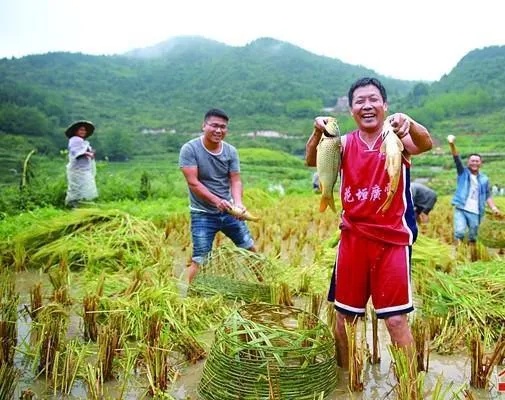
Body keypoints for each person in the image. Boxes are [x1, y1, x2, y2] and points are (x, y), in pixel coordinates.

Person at [305, 77, 433, 371]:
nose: (367, 105)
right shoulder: (342, 142)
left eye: (373, 99)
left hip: (393, 242)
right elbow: (313, 160)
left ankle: (410, 385)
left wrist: (409, 122)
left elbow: (425, 143)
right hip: (353, 240)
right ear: (351, 109)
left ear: (385, 105)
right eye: (359, 101)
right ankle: (346, 378)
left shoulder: (397, 137)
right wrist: (316, 134)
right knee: (343, 317)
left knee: (397, 319)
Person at [179, 108, 257, 283]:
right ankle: (186, 300)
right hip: (202, 213)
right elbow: (193, 182)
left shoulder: (230, 151)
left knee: (250, 249)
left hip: (229, 211)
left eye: (223, 127)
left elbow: (235, 180)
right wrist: (216, 201)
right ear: (204, 126)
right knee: (200, 259)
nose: (218, 130)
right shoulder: (190, 149)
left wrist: (238, 203)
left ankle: (268, 285)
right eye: (214, 126)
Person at [447, 134, 500, 261]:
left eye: (477, 161)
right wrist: (451, 144)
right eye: (472, 160)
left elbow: (487, 195)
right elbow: (456, 158)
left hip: (476, 211)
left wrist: (493, 208)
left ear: (481, 163)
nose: (475, 163)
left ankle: (472, 255)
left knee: (473, 236)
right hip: (461, 207)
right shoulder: (463, 172)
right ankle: (454, 255)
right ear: (468, 163)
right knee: (459, 232)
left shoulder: (484, 179)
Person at [64, 120, 98, 208]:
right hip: (77, 170)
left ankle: (82, 205)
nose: (83, 132)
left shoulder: (82, 141)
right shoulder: (75, 140)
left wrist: (90, 153)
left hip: (83, 170)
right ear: (76, 131)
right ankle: (74, 206)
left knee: (84, 188)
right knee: (77, 188)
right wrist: (87, 153)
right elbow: (76, 152)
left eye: (84, 130)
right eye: (81, 130)